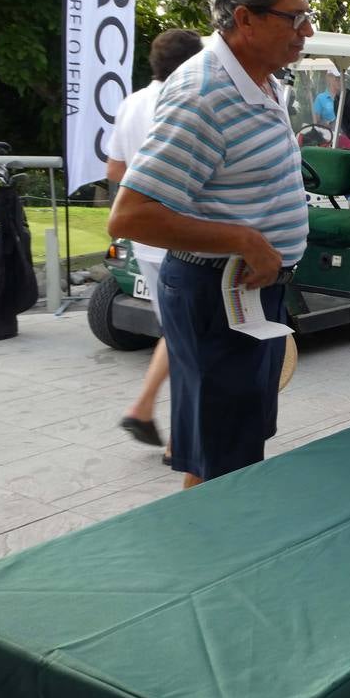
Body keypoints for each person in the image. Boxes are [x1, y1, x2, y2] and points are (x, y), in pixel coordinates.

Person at [108, 0, 311, 488]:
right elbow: (130, 216)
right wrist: (244, 238)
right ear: (245, 18)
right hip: (216, 293)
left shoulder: (261, 80)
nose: (306, 30)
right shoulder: (205, 93)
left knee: (229, 444)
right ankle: (216, 559)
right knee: (224, 457)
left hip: (245, 292)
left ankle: (218, 550)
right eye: (295, 17)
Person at [105, 28, 203, 462]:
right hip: (184, 238)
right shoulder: (185, 101)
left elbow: (115, 171)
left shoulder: (131, 103)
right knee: (191, 340)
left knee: (177, 332)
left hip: (145, 241)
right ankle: (179, 439)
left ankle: (144, 407)